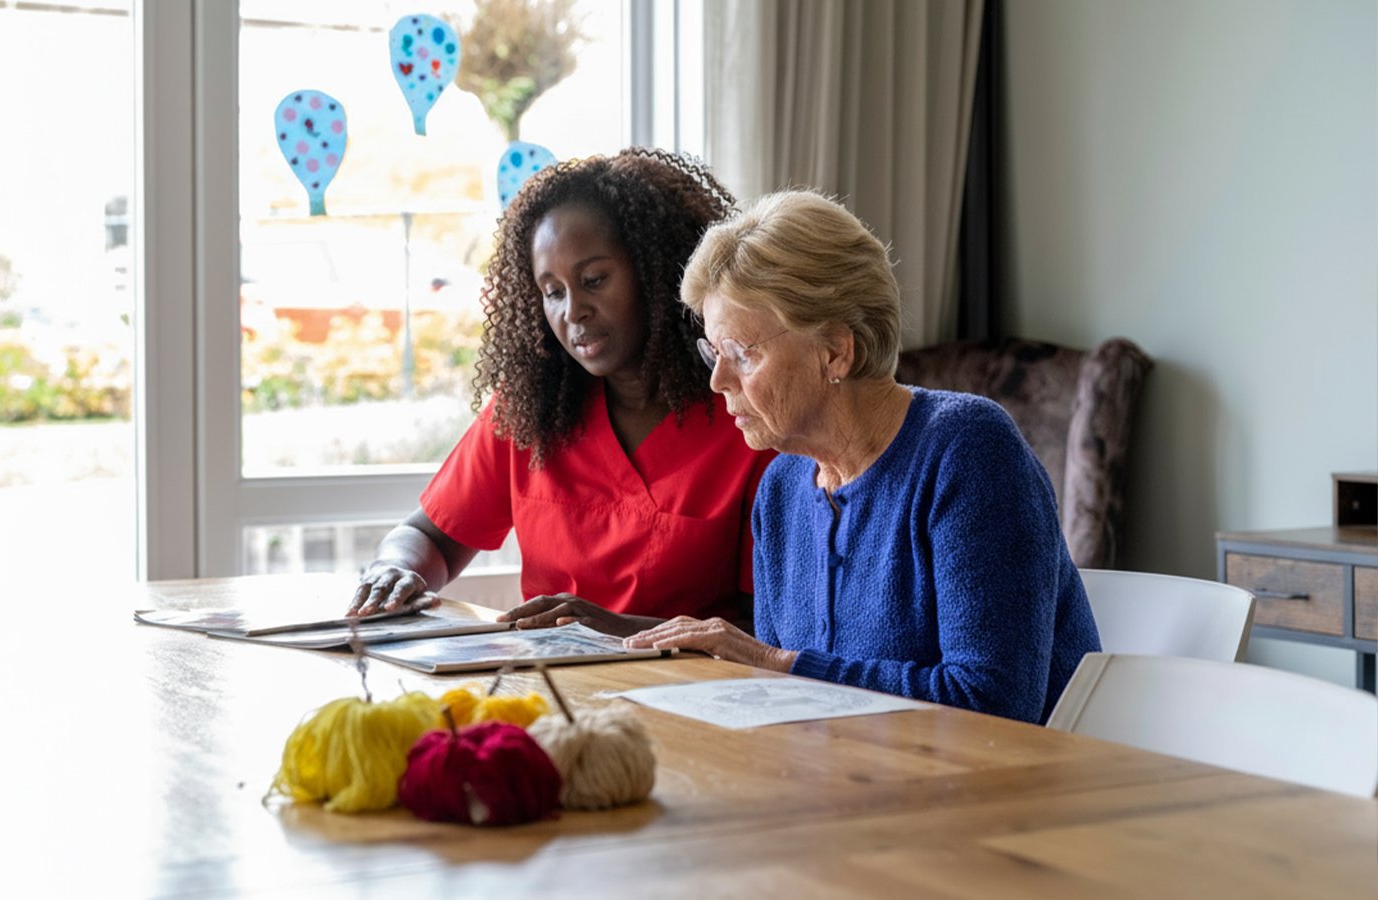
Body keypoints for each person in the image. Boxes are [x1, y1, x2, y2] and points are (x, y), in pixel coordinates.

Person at [625, 189, 1100, 723]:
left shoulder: (970, 451)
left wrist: (777, 664)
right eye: (714, 352)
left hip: (1007, 793)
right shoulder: (781, 489)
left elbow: (992, 703)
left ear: (836, 350)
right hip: (853, 787)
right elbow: (790, 709)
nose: (718, 380)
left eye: (743, 353)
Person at [348, 149, 774, 636]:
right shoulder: (531, 411)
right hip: (547, 695)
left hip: (694, 699)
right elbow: (430, 537)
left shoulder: (748, 420)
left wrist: (613, 629)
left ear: (661, 272)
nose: (573, 311)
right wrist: (394, 569)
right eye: (552, 291)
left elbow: (767, 629)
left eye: (594, 280)